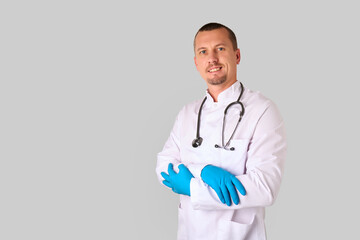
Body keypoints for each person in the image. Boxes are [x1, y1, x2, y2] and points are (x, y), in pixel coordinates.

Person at [156, 22, 287, 240]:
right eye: (203, 52)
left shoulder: (263, 110)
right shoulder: (187, 113)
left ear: (237, 56)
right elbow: (164, 167)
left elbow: (264, 187)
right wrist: (202, 170)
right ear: (196, 62)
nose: (212, 59)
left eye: (220, 49)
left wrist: (192, 187)